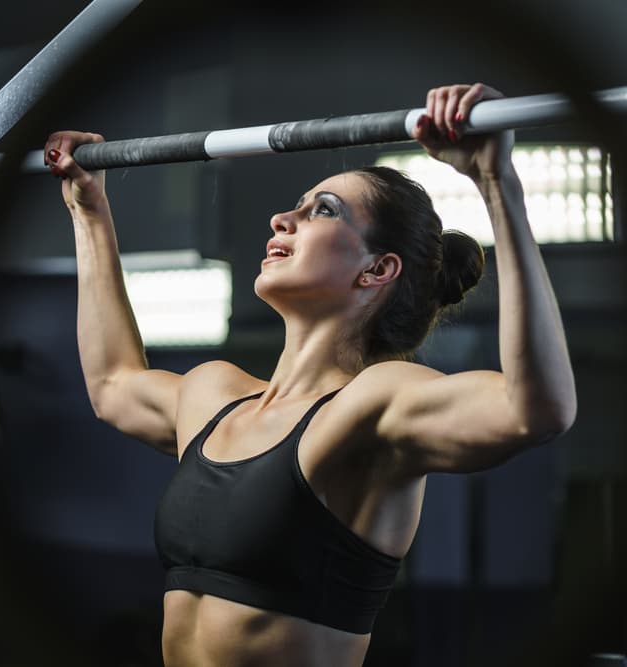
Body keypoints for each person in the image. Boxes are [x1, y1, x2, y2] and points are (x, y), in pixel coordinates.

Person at [43, 83, 576, 667]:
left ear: (377, 269)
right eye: (297, 204)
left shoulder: (374, 402)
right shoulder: (213, 393)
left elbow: (537, 411)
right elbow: (113, 383)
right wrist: (87, 208)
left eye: (322, 210)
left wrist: (498, 186)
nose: (282, 218)